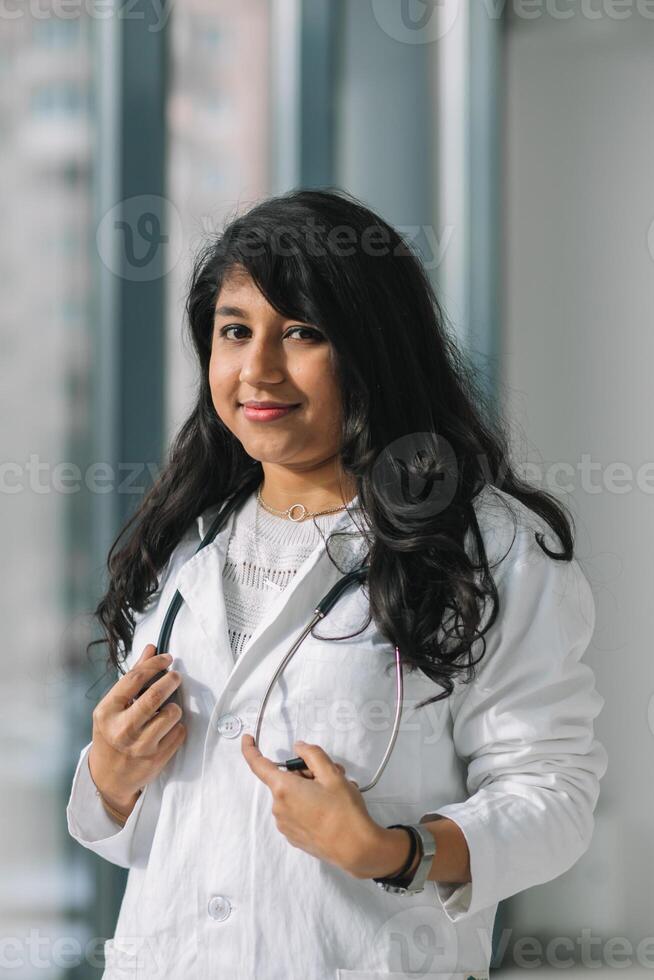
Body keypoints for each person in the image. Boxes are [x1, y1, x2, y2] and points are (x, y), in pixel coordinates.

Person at [67, 188, 608, 980]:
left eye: (302, 334)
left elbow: (552, 793)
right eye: (235, 332)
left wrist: (395, 852)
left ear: (371, 348)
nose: (258, 369)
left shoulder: (482, 547)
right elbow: (155, 827)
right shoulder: (184, 540)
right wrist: (109, 781)